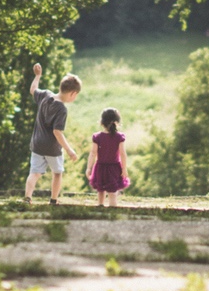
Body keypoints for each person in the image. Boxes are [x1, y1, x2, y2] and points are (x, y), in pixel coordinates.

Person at [24, 63, 81, 205]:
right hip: (52, 148)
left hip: (37, 144)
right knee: (57, 173)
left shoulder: (45, 95)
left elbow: (32, 89)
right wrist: (69, 150)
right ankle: (53, 200)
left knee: (34, 173)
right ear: (73, 93)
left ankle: (27, 198)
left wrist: (38, 76)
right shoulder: (62, 109)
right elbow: (57, 131)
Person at [85, 107, 130, 206]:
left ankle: (100, 207)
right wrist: (124, 168)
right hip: (114, 167)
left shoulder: (97, 137)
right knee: (112, 192)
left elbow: (93, 153)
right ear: (117, 122)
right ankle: (112, 209)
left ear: (101, 122)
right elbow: (123, 154)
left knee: (100, 190)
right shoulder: (119, 137)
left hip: (100, 167)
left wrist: (89, 167)